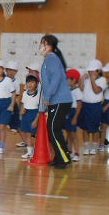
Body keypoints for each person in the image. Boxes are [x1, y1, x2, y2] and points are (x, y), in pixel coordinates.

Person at [39, 34, 73, 168]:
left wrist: (47, 97)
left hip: (59, 100)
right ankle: (61, 158)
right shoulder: (50, 59)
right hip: (58, 100)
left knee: (54, 130)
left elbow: (56, 79)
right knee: (54, 130)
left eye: (43, 43)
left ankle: (64, 158)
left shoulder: (52, 59)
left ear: (49, 45)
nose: (41, 46)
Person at [78, 59, 106, 155]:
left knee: (95, 128)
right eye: (89, 71)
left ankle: (94, 147)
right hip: (85, 105)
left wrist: (93, 79)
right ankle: (86, 147)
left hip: (95, 106)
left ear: (98, 71)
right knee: (85, 127)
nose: (90, 72)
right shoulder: (86, 79)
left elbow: (96, 91)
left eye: (92, 71)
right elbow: (81, 89)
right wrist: (82, 79)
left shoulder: (102, 80)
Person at [20, 74, 40, 159]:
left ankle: (38, 151)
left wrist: (36, 120)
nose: (30, 84)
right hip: (26, 114)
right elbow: (23, 104)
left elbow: (40, 109)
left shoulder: (39, 94)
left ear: (36, 83)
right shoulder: (25, 93)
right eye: (28, 82)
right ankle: (29, 152)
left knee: (37, 135)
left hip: (35, 114)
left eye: (32, 82)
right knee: (27, 133)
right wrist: (22, 112)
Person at [65, 69, 84, 161]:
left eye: (68, 79)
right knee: (68, 133)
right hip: (67, 112)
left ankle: (77, 152)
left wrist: (75, 117)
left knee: (74, 134)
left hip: (73, 113)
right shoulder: (67, 90)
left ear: (74, 80)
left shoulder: (77, 91)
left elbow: (79, 105)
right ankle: (69, 151)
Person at [6, 61, 26, 147]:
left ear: (16, 72)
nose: (11, 72)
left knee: (18, 126)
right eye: (9, 70)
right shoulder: (4, 80)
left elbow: (18, 96)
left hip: (13, 105)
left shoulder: (17, 82)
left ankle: (26, 142)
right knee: (1, 125)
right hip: (3, 104)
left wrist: (15, 107)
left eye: (13, 70)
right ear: (6, 70)